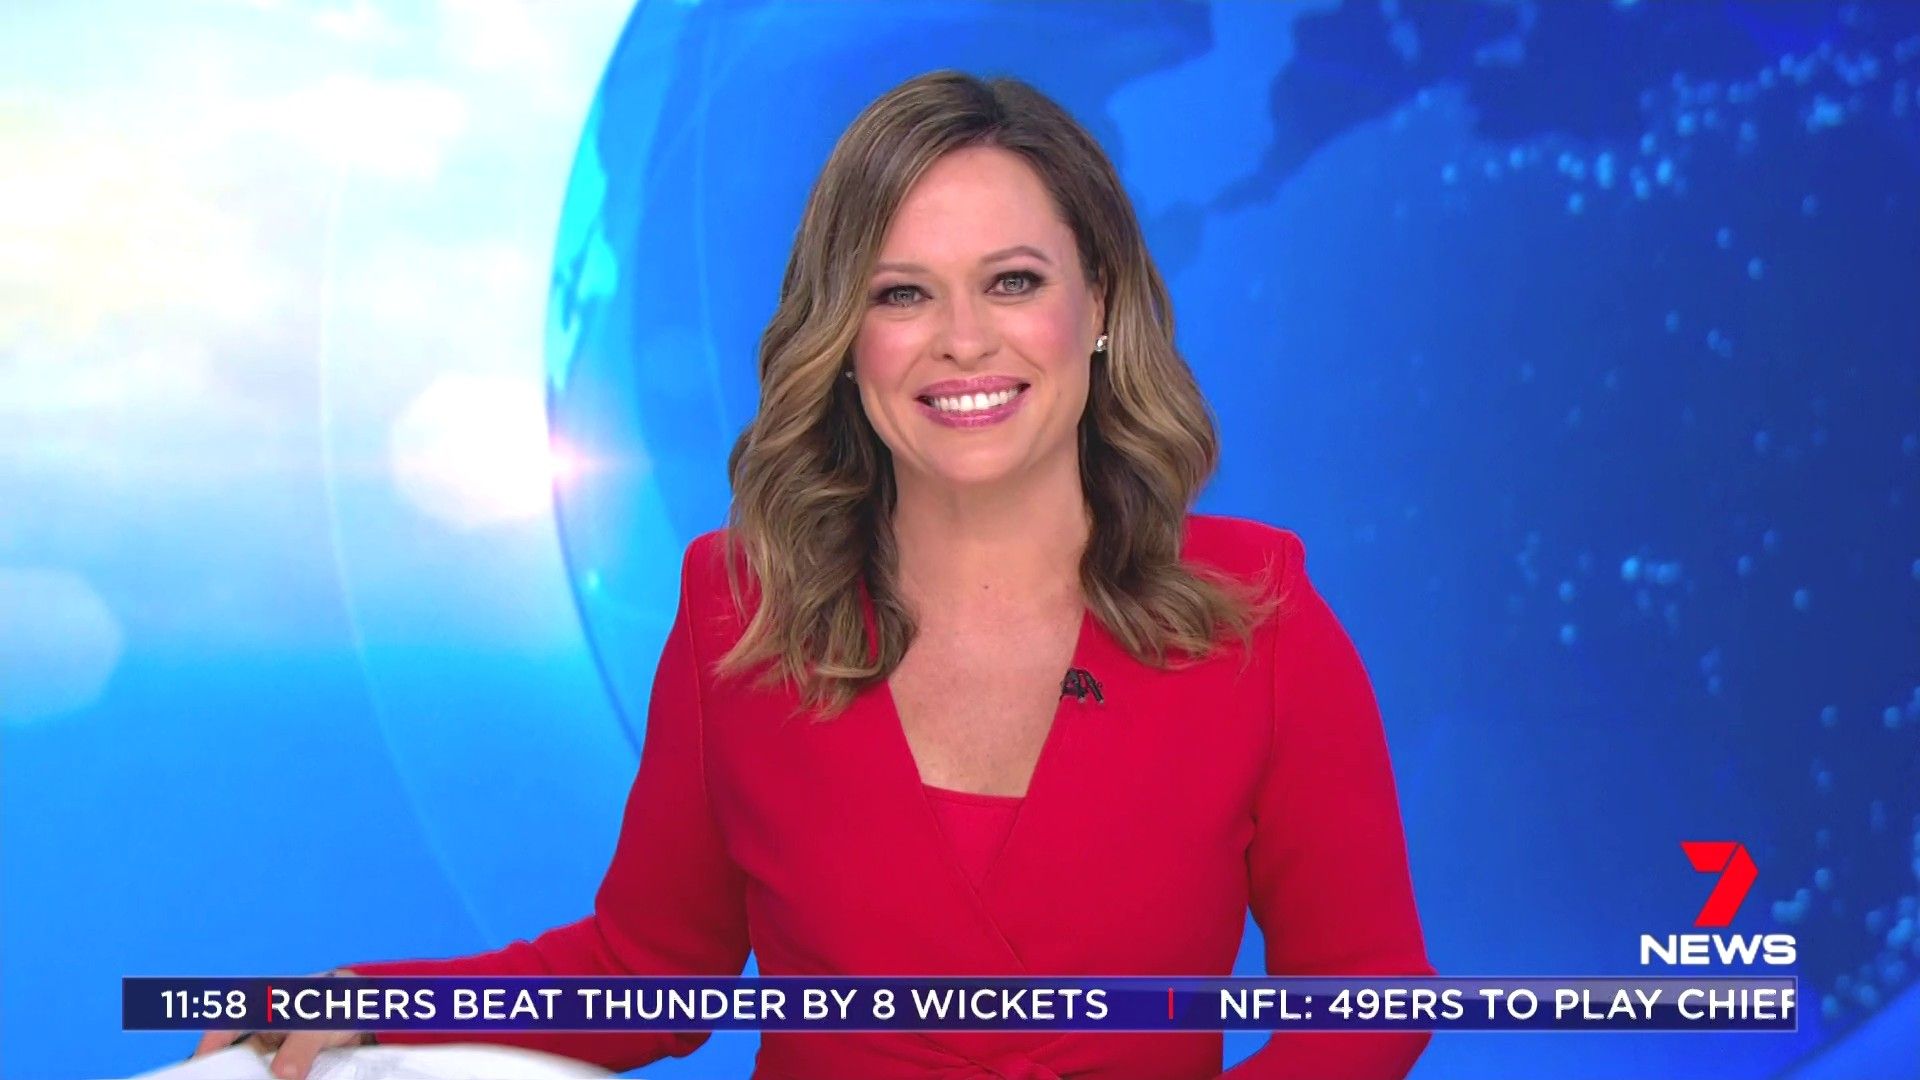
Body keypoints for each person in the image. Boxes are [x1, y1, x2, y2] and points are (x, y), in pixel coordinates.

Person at [194, 69, 1434, 1080]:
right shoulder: (742, 613)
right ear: (846, 339)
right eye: (903, 294)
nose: (963, 340)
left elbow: (1370, 996)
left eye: (1013, 282)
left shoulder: (1259, 618)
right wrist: (365, 1001)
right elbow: (648, 970)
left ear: (1098, 305)